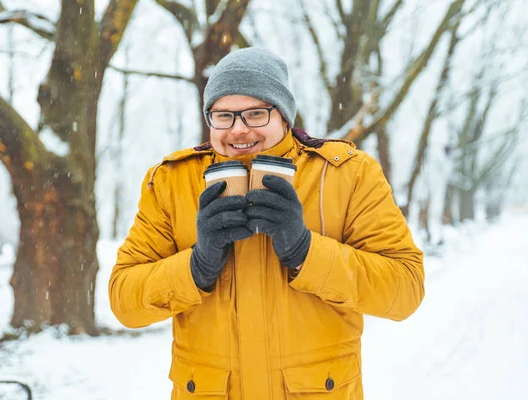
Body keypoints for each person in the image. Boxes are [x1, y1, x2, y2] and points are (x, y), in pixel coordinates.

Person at [109, 47, 424, 399]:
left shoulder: (345, 175)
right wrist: (196, 267)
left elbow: (405, 290)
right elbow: (124, 300)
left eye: (256, 114)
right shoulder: (172, 182)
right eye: (223, 115)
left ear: (284, 116)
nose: (238, 131)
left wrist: (307, 252)